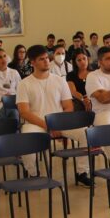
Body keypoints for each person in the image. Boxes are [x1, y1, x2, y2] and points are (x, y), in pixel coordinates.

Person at [16, 45, 92, 187]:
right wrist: (48, 125)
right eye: (41, 59)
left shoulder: (59, 80)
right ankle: (32, 173)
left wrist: (56, 124)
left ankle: (82, 172)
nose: (46, 62)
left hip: (59, 122)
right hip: (36, 123)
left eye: (47, 58)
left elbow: (68, 107)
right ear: (32, 62)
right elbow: (24, 112)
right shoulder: (24, 84)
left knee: (86, 133)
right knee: (26, 138)